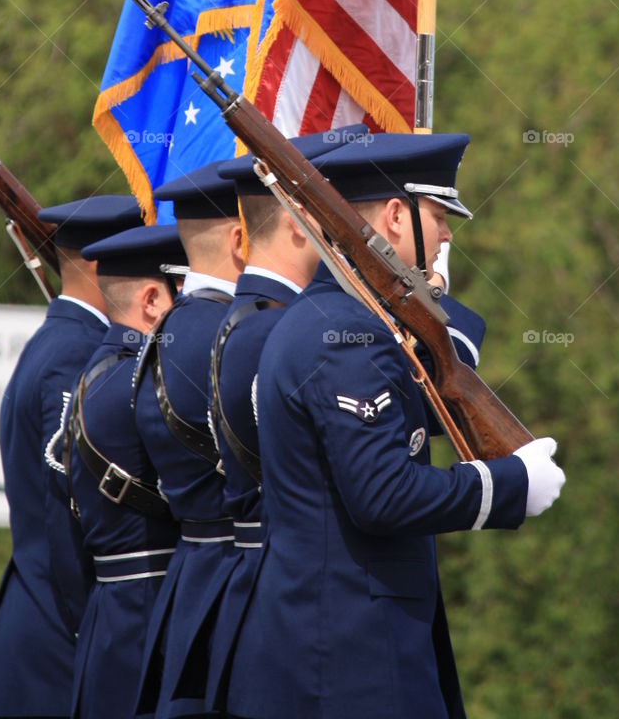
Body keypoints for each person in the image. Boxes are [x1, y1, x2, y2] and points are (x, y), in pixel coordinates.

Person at [227, 133, 566, 719]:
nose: (447, 234)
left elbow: (420, 412)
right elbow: (383, 495)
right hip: (348, 659)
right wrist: (509, 484)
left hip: (338, 645)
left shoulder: (339, 322)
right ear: (394, 217)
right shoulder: (349, 339)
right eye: (437, 216)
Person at [0, 194, 144, 719]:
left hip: (40, 628)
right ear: (97, 263)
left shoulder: (60, 339)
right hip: (52, 648)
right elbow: (70, 507)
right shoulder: (74, 353)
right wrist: (92, 626)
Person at [203, 130, 361, 715]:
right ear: (301, 225)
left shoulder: (245, 320)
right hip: (301, 604)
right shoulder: (281, 333)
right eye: (337, 216)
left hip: (259, 587)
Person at [133, 161, 245, 719]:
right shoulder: (232, 331)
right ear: (241, 238)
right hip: (233, 581)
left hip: (193, 573)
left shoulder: (175, 328)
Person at [66, 224, 186, 719]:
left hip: (111, 615)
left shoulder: (98, 371)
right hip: (147, 615)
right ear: (154, 299)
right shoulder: (142, 382)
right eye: (187, 295)